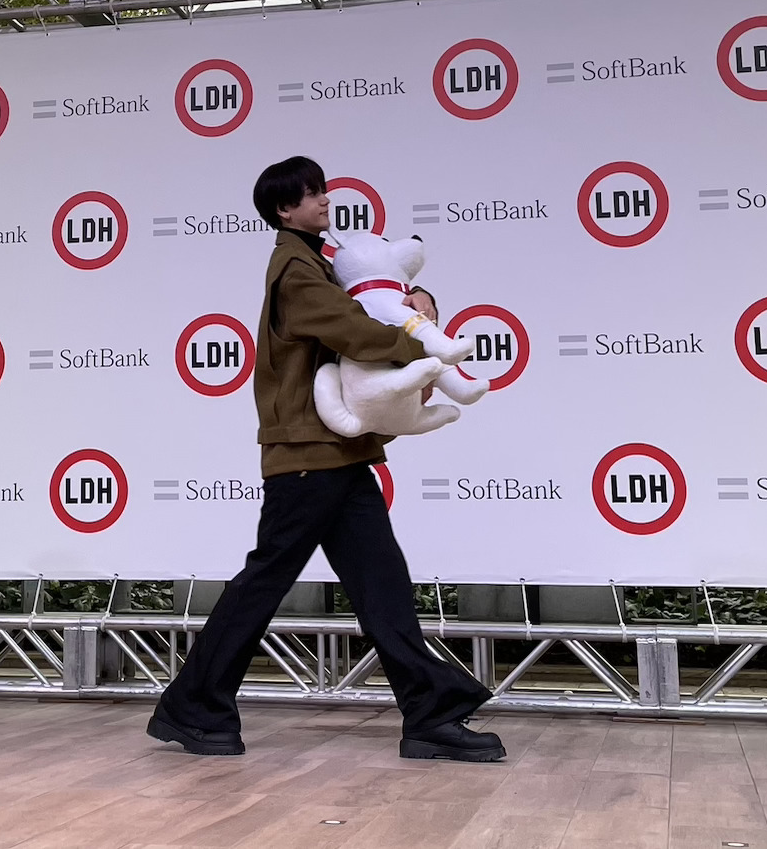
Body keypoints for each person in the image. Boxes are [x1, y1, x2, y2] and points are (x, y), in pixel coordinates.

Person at [147, 156, 504, 763]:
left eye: (323, 190)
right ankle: (194, 707)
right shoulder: (296, 270)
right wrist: (421, 337)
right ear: (284, 210)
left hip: (335, 451)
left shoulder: (319, 262)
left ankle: (429, 716)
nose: (324, 200)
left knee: (381, 585)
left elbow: (371, 301)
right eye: (311, 194)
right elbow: (352, 329)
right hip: (309, 453)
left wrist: (415, 305)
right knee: (267, 582)